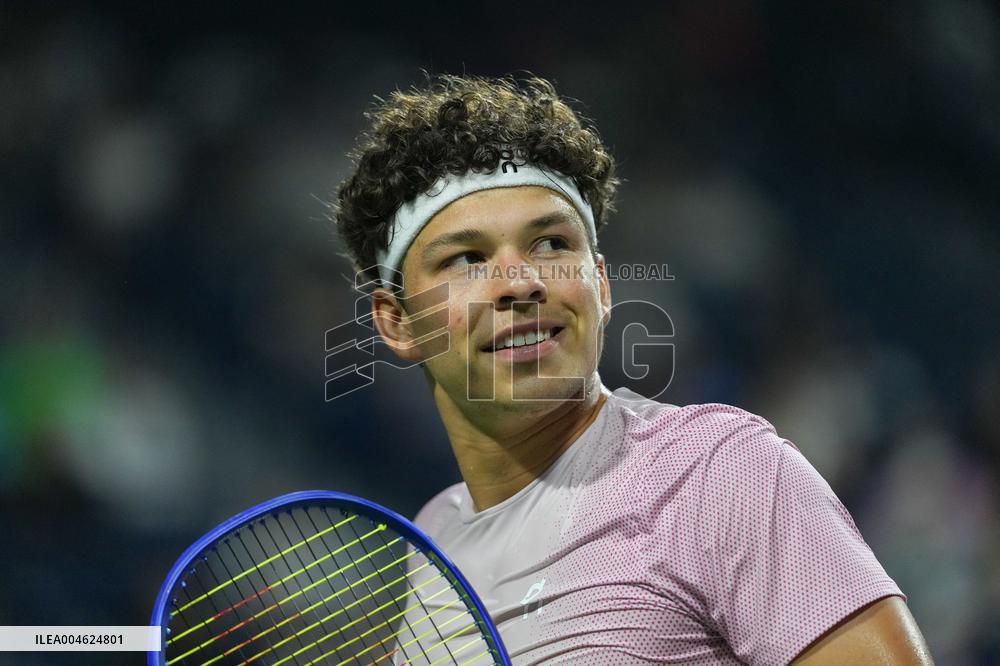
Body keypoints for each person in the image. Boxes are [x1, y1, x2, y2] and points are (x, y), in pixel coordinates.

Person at [333, 75, 932, 664]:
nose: (521, 281)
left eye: (551, 245)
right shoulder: (432, 542)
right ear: (397, 322)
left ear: (601, 285)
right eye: (467, 259)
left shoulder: (718, 473)